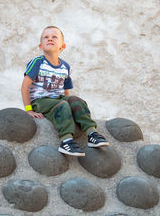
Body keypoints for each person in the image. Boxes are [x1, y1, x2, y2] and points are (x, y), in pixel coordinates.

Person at [21, 26, 109, 157]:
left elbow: (66, 92)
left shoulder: (65, 67)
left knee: (76, 100)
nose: (50, 38)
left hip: (58, 99)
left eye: (54, 37)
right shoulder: (37, 62)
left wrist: (72, 108)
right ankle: (66, 141)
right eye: (46, 37)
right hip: (40, 101)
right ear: (40, 46)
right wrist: (28, 109)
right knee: (62, 105)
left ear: (62, 46)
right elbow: (24, 87)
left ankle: (91, 133)